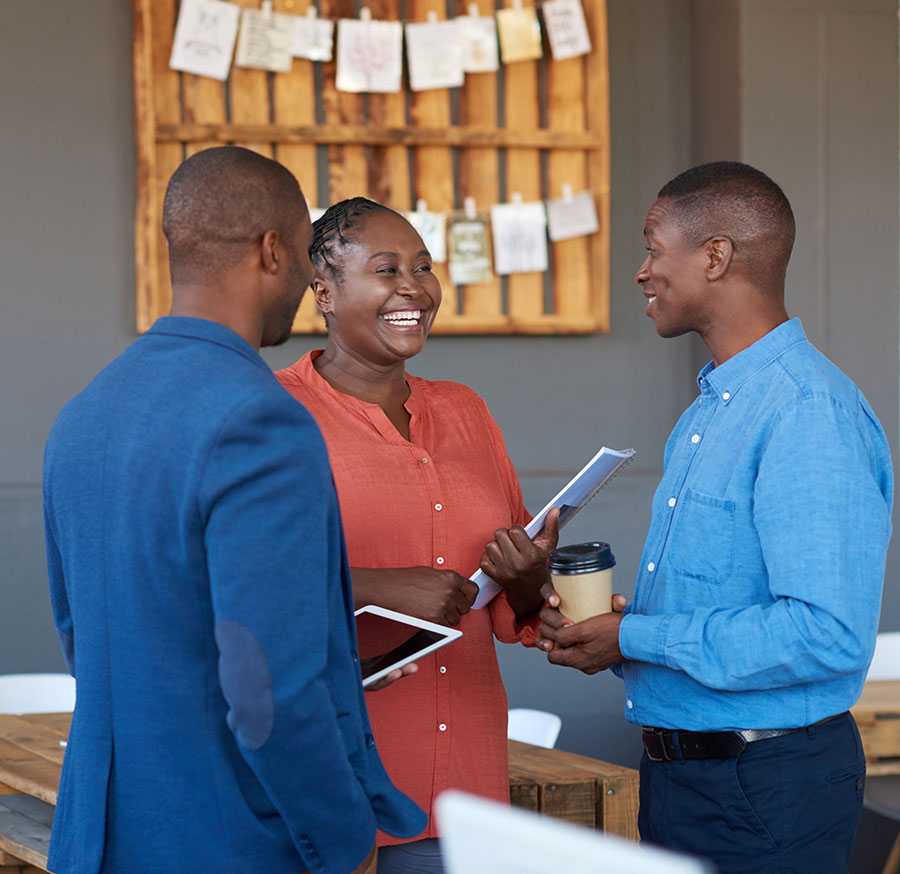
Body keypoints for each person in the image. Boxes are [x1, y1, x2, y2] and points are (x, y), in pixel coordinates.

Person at [42, 148, 424, 874]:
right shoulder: (258, 419)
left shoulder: (86, 411)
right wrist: (341, 840)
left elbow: (80, 638)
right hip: (230, 842)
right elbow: (268, 686)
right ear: (273, 250)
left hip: (98, 837)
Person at [537, 162, 893, 873]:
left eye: (652, 246)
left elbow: (825, 635)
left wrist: (635, 633)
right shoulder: (711, 411)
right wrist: (615, 639)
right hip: (685, 781)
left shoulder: (805, 412)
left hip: (764, 790)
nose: (641, 272)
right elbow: (724, 610)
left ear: (716, 255)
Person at [276, 197, 557, 874]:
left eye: (423, 267)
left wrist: (527, 582)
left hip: (465, 786)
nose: (414, 287)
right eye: (386, 268)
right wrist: (371, 589)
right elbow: (242, 590)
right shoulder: (275, 416)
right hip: (334, 788)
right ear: (324, 291)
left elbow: (510, 602)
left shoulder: (465, 411)